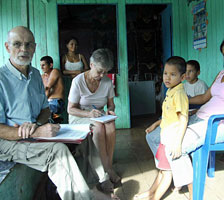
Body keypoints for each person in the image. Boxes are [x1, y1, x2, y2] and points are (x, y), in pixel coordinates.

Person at [0, 26, 116, 200]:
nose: (23, 49)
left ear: (34, 48)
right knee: (58, 150)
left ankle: (99, 181)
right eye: (17, 44)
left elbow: (45, 110)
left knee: (86, 138)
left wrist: (38, 125)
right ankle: (86, 196)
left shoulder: (35, 75)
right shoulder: (2, 79)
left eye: (28, 45)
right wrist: (36, 131)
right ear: (8, 47)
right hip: (9, 140)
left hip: (34, 132)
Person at [143, 34, 224, 200]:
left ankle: (192, 194)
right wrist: (181, 101)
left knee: (174, 146)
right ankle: (167, 175)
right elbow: (205, 98)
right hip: (198, 117)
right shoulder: (221, 74)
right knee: (153, 137)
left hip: (217, 126)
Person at [134, 56, 189, 200]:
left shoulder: (179, 94)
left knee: (166, 173)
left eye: (173, 74)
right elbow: (168, 116)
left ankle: (155, 198)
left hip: (171, 141)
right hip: (165, 137)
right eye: (165, 73)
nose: (167, 78)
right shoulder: (170, 91)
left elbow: (183, 119)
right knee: (162, 170)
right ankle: (151, 192)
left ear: (182, 77)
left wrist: (178, 143)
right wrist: (156, 124)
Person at [67, 48, 121, 188]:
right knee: (98, 127)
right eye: (99, 71)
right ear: (91, 65)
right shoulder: (78, 81)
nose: (102, 75)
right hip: (79, 116)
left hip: (99, 115)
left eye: (105, 72)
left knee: (110, 125)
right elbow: (70, 109)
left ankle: (108, 165)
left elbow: (111, 105)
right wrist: (88, 114)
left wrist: (110, 111)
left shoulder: (107, 82)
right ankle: (103, 172)